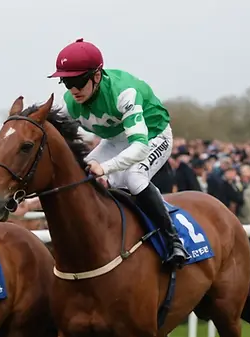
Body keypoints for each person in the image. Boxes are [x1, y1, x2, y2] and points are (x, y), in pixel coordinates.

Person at [50, 38, 187, 269]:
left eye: (78, 81)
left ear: (96, 75)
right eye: (66, 82)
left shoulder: (124, 93)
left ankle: (173, 239)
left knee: (134, 178)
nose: (73, 90)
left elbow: (139, 147)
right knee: (79, 175)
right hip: (115, 140)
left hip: (153, 136)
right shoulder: (69, 104)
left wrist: (105, 168)